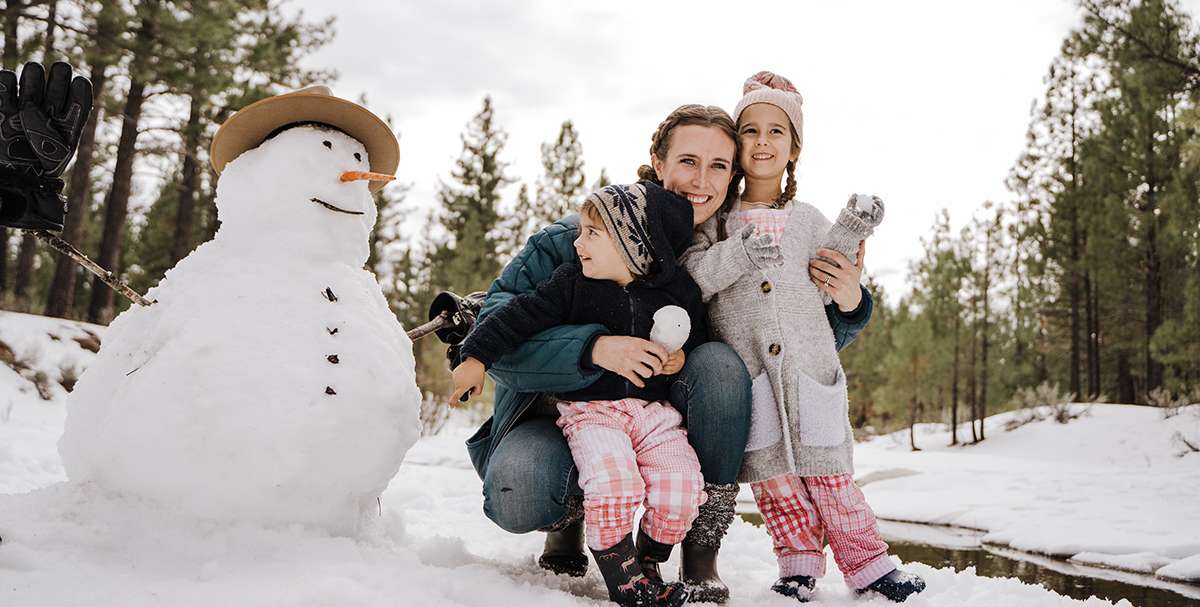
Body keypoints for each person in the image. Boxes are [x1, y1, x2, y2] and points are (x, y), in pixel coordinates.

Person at [464, 104, 874, 605]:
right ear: (657, 163)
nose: (701, 179)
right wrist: (594, 348)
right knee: (521, 488)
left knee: (722, 367)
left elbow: (789, 346)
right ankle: (568, 518)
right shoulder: (577, 238)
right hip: (556, 415)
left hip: (658, 418)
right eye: (688, 161)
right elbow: (493, 334)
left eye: (719, 166)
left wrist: (850, 304)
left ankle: (700, 549)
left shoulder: (733, 246)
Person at [680, 71, 924, 603]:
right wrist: (740, 251)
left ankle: (870, 566)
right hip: (751, 375)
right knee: (775, 482)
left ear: (794, 148)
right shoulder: (715, 223)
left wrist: (856, 229)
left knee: (831, 475)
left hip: (811, 371)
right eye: (751, 131)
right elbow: (694, 276)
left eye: (777, 131)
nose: (763, 142)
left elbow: (837, 269)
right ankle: (797, 566)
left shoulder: (809, 219)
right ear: (736, 143)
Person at [452, 182, 705, 606]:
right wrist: (475, 357)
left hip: (653, 414)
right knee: (613, 483)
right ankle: (621, 573)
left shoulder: (676, 292)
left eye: (592, 233)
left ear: (633, 244)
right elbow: (516, 317)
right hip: (593, 413)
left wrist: (679, 359)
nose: (578, 241)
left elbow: (695, 336)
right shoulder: (571, 284)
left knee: (681, 486)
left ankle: (648, 555)